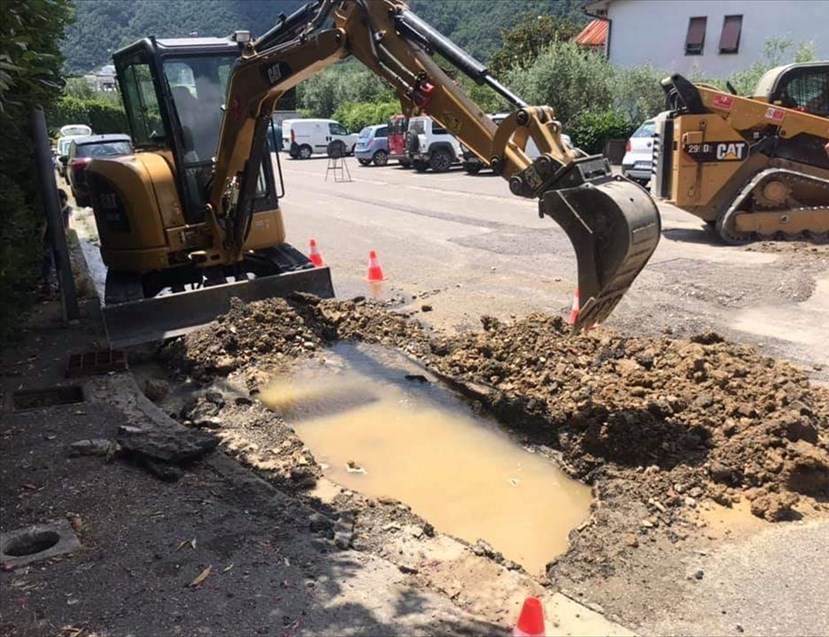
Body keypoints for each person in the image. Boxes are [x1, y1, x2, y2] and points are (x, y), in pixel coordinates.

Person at [41, 189, 72, 293]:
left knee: (57, 260)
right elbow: (45, 226)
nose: (63, 204)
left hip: (56, 238)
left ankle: (59, 284)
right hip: (50, 238)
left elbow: (66, 226)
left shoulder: (65, 210)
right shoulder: (51, 211)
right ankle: (49, 284)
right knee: (49, 260)